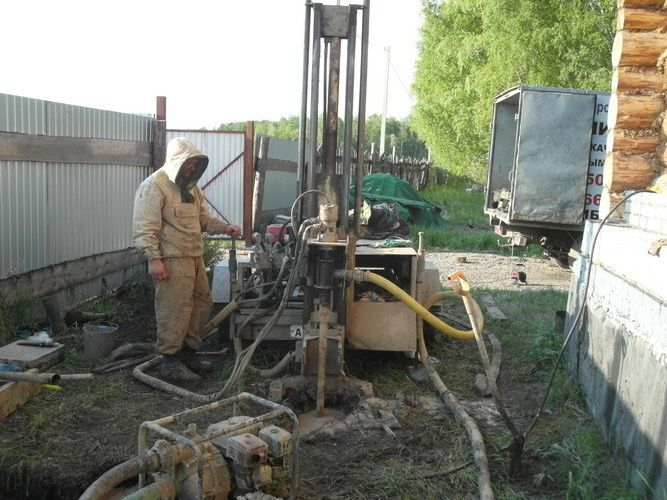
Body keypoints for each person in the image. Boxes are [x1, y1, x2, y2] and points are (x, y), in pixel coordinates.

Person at [133, 137, 241, 384]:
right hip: (171, 260)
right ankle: (170, 362)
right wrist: (153, 259)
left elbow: (203, 219)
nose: (192, 168)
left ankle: (189, 354)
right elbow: (144, 228)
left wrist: (225, 228)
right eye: (188, 163)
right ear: (176, 162)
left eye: (195, 164)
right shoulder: (154, 186)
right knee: (175, 309)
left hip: (194, 257)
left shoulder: (192, 189)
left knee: (202, 303)